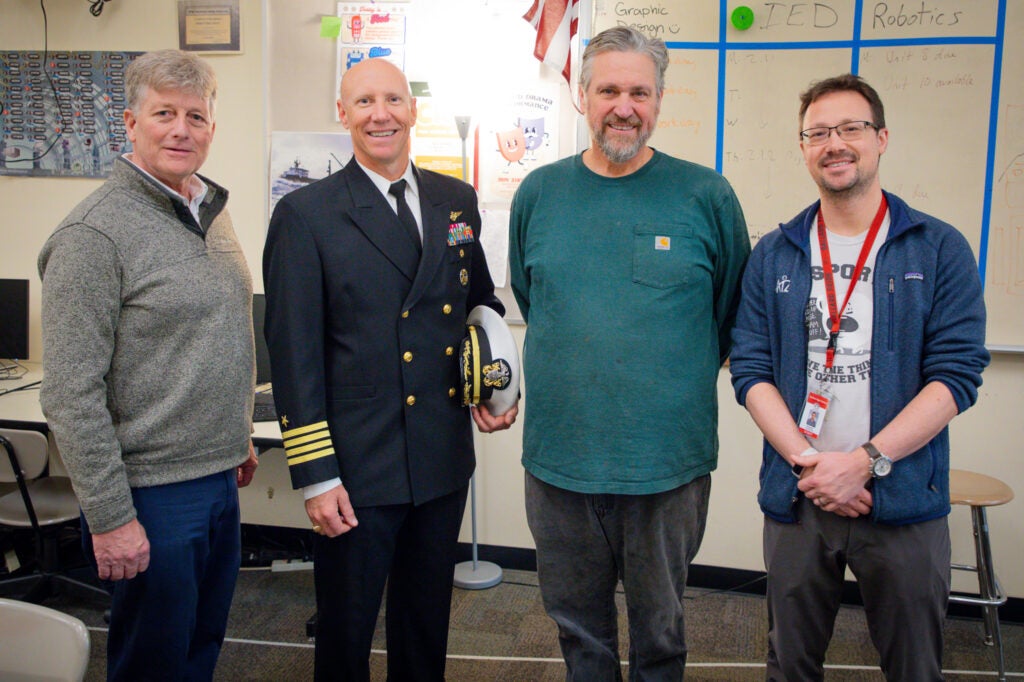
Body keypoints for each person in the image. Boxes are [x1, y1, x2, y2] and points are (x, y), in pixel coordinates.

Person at [262, 57, 517, 682]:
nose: (382, 114)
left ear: (412, 110)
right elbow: (292, 355)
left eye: (394, 100)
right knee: (346, 632)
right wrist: (316, 476)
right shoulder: (307, 214)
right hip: (356, 465)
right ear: (343, 114)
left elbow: (480, 298)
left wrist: (495, 377)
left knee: (426, 626)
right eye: (365, 102)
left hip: (439, 455)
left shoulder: (454, 200)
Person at [729, 73, 990, 680]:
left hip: (900, 498)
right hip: (801, 495)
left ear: (881, 139)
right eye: (817, 132)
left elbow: (955, 375)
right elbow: (751, 368)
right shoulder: (775, 252)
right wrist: (808, 463)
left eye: (850, 128)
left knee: (913, 665)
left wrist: (863, 461)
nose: (834, 143)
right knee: (790, 663)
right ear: (803, 148)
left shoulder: (937, 247)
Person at [509, 26, 751, 680]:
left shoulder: (706, 196)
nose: (624, 105)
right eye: (609, 89)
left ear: (659, 102)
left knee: (661, 635)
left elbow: (731, 315)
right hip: (560, 462)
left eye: (639, 91)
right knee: (578, 631)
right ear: (582, 97)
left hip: (666, 467)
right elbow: (537, 302)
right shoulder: (539, 194)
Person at [38, 49, 259, 680]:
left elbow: (215, 335)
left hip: (217, 475)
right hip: (149, 492)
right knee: (152, 661)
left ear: (213, 127)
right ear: (130, 123)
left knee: (200, 645)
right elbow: (72, 394)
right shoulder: (94, 235)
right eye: (164, 113)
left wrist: (235, 432)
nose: (181, 129)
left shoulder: (209, 212)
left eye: (196, 115)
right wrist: (110, 518)